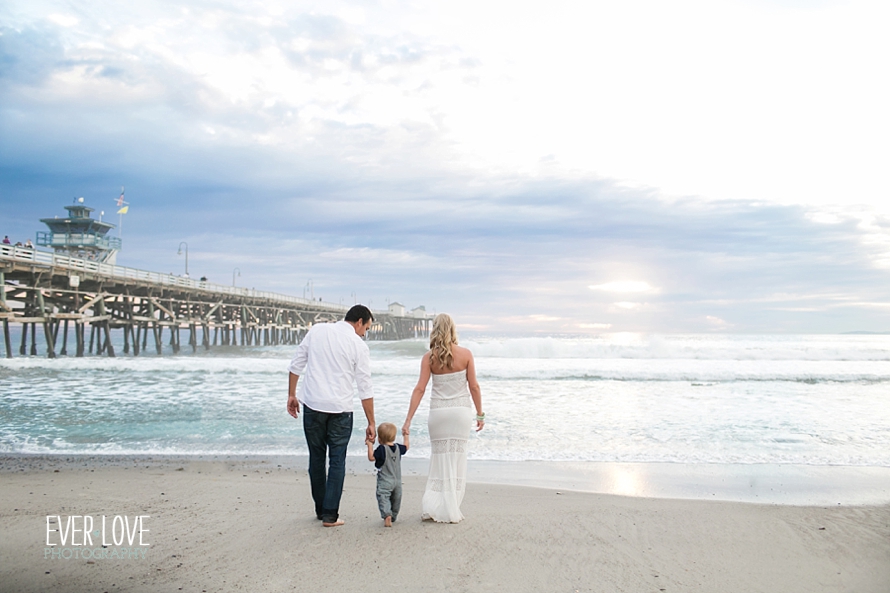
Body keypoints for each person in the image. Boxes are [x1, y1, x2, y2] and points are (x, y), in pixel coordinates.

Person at [287, 304, 376, 527]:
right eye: (366, 328)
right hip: (341, 410)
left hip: (313, 405)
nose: (365, 333)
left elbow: (296, 364)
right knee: (337, 460)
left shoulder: (317, 330)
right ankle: (330, 515)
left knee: (316, 458)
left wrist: (291, 395)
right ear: (359, 322)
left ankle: (320, 509)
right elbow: (365, 387)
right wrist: (371, 422)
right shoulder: (358, 345)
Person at [402, 313, 484, 523]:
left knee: (439, 460)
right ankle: (451, 507)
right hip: (460, 413)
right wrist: (480, 413)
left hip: (438, 414)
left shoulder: (429, 357)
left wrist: (408, 420)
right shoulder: (466, 354)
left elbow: (420, 389)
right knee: (457, 459)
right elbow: (474, 386)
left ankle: (435, 506)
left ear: (435, 329)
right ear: (453, 329)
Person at [366, 422, 409, 527]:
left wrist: (370, 445)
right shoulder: (399, 448)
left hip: (385, 480)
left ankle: (387, 515)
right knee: (396, 498)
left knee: (383, 497)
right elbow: (406, 447)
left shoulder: (381, 449)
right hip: (397, 481)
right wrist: (406, 435)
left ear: (379, 439)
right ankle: (393, 515)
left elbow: (371, 457)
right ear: (394, 437)